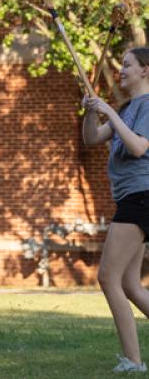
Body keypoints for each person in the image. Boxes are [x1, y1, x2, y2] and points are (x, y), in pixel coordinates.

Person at [82, 47, 149, 373]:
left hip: (142, 198)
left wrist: (108, 108)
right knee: (130, 285)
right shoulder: (127, 108)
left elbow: (137, 147)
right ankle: (134, 361)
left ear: (145, 70)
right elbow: (92, 139)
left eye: (127, 65)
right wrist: (92, 111)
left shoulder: (148, 106)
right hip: (132, 199)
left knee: (108, 277)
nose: (121, 70)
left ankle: (134, 362)